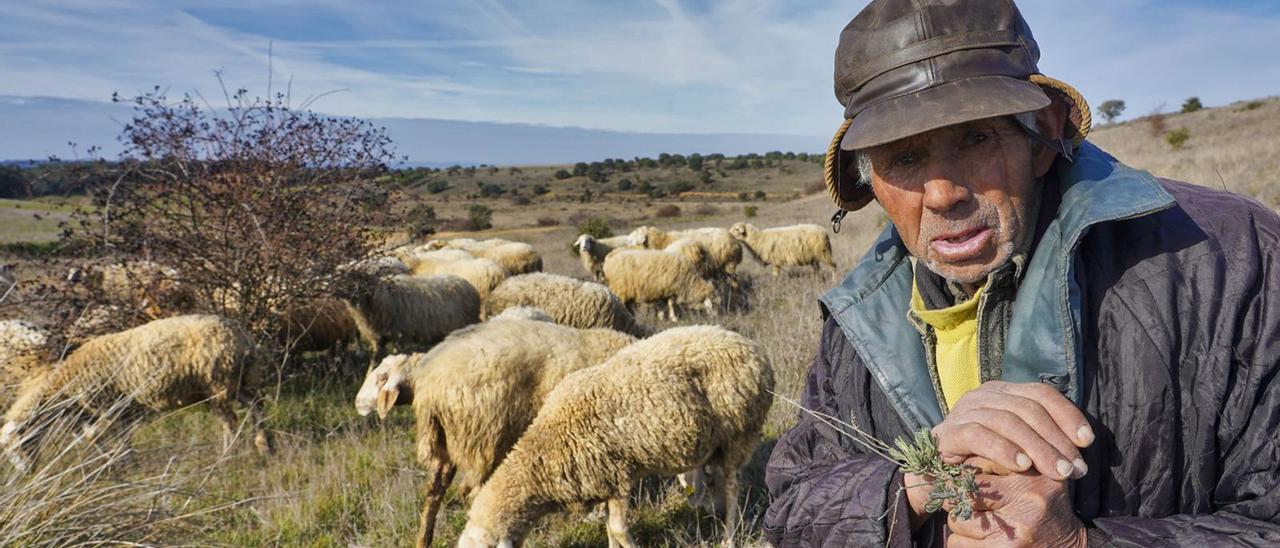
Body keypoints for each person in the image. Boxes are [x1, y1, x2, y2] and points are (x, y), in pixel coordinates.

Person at [762, 0, 1280, 546]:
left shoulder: (1226, 258)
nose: (942, 194)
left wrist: (1078, 543)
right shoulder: (858, 316)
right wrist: (915, 483)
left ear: (1042, 134)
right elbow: (791, 508)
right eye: (904, 158)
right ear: (870, 180)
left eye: (976, 138)